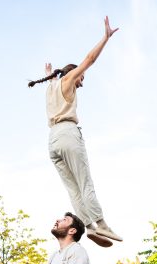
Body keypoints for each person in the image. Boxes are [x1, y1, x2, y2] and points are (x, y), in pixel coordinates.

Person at [28, 17, 122, 248]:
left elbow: (52, 78)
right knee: (85, 182)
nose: (81, 82)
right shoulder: (68, 80)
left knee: (72, 188)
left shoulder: (51, 87)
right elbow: (90, 59)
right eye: (82, 77)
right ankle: (101, 222)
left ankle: (88, 227)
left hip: (52, 141)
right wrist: (105, 38)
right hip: (69, 135)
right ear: (72, 73)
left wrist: (49, 71)